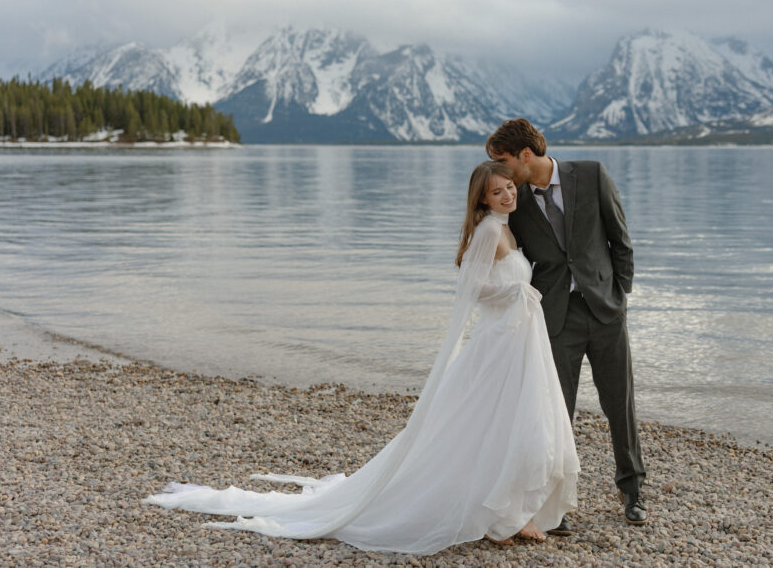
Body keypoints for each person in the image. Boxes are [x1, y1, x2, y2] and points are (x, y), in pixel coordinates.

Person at [144, 161, 579, 555]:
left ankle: (511, 510)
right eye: (498, 191)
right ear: (482, 197)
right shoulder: (487, 231)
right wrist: (515, 291)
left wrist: (521, 292)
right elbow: (472, 291)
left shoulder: (506, 227)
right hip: (496, 346)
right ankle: (497, 515)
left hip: (515, 342)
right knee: (489, 425)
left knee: (509, 424)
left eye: (509, 187)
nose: (508, 195)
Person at [486, 118, 647, 531]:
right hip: (555, 316)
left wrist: (619, 297)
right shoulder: (514, 198)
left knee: (620, 404)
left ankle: (632, 490)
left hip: (605, 310)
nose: (500, 172)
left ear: (526, 154)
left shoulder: (591, 175)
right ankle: (553, 505)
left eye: (503, 161)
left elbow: (620, 241)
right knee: (555, 412)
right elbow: (503, 248)